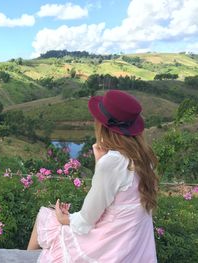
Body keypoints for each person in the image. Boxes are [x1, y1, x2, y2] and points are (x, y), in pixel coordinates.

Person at [27, 90, 159, 263]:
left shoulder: (113, 162)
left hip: (107, 248)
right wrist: (100, 162)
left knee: (46, 217)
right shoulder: (144, 158)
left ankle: (25, 258)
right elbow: (116, 202)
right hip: (133, 248)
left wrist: (63, 218)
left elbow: (88, 218)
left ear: (103, 126)